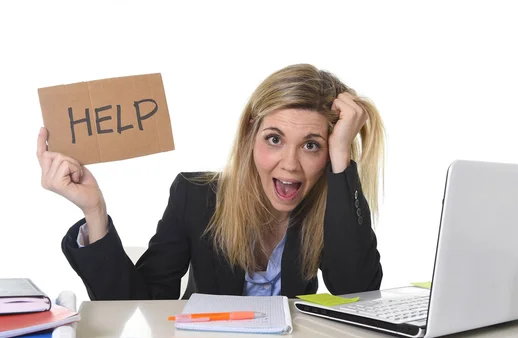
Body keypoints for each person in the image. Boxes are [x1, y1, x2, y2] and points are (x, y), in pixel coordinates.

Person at [36, 64, 385, 300]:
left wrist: (341, 157)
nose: (290, 164)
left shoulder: (330, 207)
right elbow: (141, 300)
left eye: (312, 145)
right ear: (250, 135)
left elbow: (356, 294)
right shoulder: (196, 196)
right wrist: (94, 211)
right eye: (274, 139)